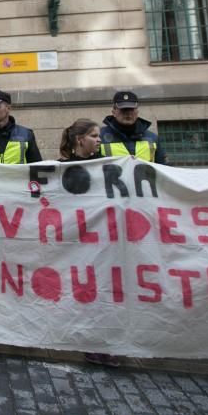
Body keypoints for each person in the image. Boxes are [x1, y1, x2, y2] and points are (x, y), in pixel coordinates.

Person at [58, 118, 120, 367]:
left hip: (102, 240)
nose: (99, 140)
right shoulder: (61, 168)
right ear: (79, 139)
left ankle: (107, 343)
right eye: (94, 136)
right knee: (83, 292)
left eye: (99, 136)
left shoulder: (107, 166)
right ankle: (89, 343)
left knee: (105, 290)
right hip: (74, 241)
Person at [99, 91, 166, 164]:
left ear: (137, 112)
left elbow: (163, 168)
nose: (128, 113)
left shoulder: (152, 138)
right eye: (123, 110)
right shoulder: (99, 137)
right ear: (114, 112)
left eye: (131, 109)